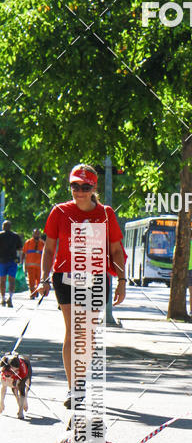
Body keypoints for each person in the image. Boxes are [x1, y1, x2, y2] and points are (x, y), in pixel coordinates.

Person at [37, 163, 126, 407]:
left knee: (86, 333)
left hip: (96, 277)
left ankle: (81, 381)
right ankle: (73, 388)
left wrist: (122, 281)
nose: (79, 191)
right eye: (75, 186)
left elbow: (117, 250)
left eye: (85, 187)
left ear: (93, 187)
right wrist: (44, 277)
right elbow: (49, 248)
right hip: (65, 276)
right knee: (73, 330)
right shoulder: (59, 212)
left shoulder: (106, 214)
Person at [0, 219, 23, 308]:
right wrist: (20, 260)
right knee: (11, 280)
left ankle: (3, 298)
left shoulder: (0, 235)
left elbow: (20, 249)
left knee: (2, 280)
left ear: (3, 226)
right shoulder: (15, 236)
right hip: (12, 261)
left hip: (2, 261)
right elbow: (20, 249)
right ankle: (9, 297)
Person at [22, 228, 44, 298]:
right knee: (31, 281)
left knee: (38, 281)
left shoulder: (42, 244)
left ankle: (36, 291)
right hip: (30, 266)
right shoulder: (28, 242)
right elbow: (23, 253)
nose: (36, 235)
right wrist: (21, 262)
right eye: (35, 233)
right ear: (33, 234)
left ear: (39, 234)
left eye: (38, 233)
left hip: (40, 267)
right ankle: (32, 294)